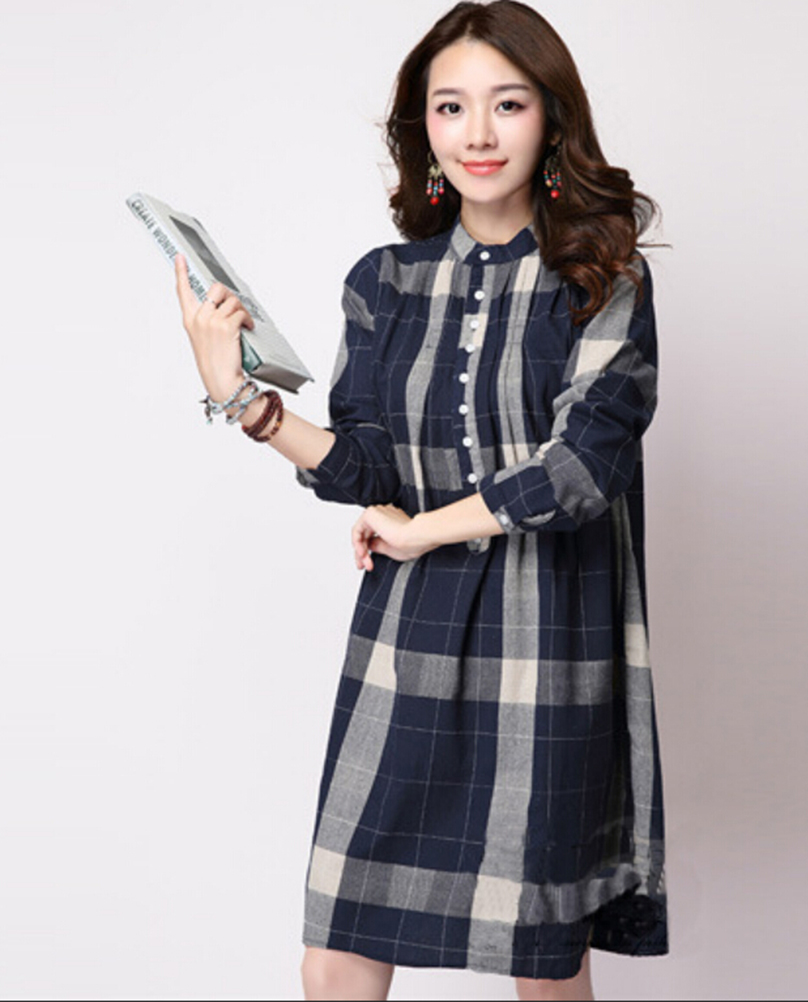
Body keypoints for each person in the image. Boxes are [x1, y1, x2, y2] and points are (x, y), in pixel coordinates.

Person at [173, 2, 667, 998]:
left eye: (507, 103)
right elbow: (365, 465)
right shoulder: (384, 282)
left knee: (542, 954)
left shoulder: (602, 278)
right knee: (339, 946)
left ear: (552, 119)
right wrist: (246, 401)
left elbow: (581, 468)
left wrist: (420, 531)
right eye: (451, 106)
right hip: (408, 637)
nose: (478, 132)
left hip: (548, 635)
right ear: (424, 127)